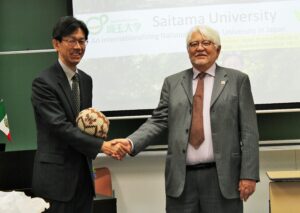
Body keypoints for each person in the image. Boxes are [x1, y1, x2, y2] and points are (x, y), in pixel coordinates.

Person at [112, 25, 259, 213]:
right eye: (193, 44)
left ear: (218, 49)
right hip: (182, 181)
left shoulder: (238, 80)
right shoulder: (172, 83)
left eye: (206, 43)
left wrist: (249, 174)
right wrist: (129, 143)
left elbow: (249, 131)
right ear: (187, 50)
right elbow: (158, 121)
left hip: (223, 179)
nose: (199, 48)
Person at [31, 16, 127, 213]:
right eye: (71, 41)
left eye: (82, 41)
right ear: (56, 44)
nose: (78, 46)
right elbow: (60, 127)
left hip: (83, 179)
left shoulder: (85, 80)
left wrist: (101, 136)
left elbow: (83, 124)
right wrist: (102, 146)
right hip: (56, 182)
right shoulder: (43, 82)